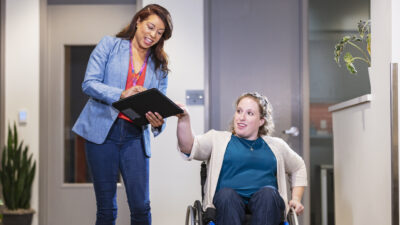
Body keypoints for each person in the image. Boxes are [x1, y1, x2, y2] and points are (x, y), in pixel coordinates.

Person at [72, 4, 173, 225]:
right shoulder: (110, 45)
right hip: (102, 134)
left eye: (159, 32)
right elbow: (89, 83)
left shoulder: (160, 66)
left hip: (135, 136)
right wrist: (122, 93)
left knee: (141, 206)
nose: (153, 35)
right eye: (150, 27)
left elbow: (160, 107)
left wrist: (157, 123)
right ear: (138, 21)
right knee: (106, 208)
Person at [176, 92, 307, 225]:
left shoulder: (276, 145)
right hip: (227, 207)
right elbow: (189, 146)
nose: (241, 117)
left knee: (268, 194)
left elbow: (298, 166)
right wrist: (184, 119)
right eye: (239, 111)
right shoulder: (217, 139)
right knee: (226, 195)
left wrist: (296, 198)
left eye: (250, 113)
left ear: (261, 121)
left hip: (267, 208)